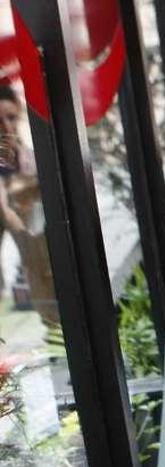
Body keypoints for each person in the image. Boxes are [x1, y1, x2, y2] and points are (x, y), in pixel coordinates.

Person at [0, 86, 57, 325]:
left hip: (59, 270)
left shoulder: (37, 159)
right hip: (36, 276)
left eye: (11, 117)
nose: (6, 127)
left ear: (21, 113)